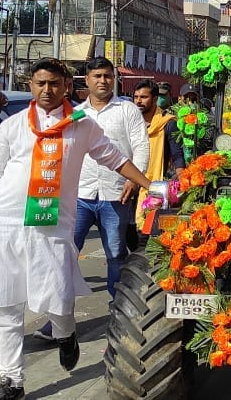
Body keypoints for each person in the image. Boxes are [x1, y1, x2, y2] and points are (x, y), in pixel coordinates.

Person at [0, 58, 153, 399]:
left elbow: (115, 159)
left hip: (50, 225)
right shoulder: (13, 125)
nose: (46, 90)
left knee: (58, 297)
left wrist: (150, 186)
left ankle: (66, 334)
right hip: (3, 222)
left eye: (54, 83)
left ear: (66, 86)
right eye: (40, 84)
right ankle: (12, 380)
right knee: (4, 306)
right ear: (31, 86)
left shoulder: (80, 125)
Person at [74, 57, 149, 296]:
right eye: (97, 76)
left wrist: (134, 181)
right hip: (80, 195)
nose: (103, 81)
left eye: (107, 76)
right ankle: (60, 312)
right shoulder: (76, 114)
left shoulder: (127, 109)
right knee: (66, 253)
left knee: (116, 253)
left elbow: (141, 147)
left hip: (116, 194)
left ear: (114, 79)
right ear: (87, 80)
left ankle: (118, 308)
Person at [131, 79, 186, 222]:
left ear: (155, 99)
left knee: (145, 231)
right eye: (136, 97)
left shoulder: (168, 123)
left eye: (143, 97)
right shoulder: (130, 122)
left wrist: (183, 185)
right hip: (129, 181)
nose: (138, 101)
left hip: (156, 185)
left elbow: (177, 156)